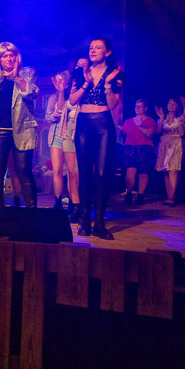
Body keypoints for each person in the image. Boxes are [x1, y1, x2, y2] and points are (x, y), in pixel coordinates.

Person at [69, 37, 122, 239]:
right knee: (84, 174)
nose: (93, 50)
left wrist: (107, 84)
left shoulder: (115, 74)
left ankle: (99, 223)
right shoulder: (80, 72)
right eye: (91, 47)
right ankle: (84, 221)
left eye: (98, 47)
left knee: (101, 174)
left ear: (107, 52)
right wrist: (86, 83)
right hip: (83, 123)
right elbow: (72, 100)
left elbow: (113, 105)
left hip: (103, 125)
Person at [0, 42, 38, 209]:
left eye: (11, 55)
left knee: (24, 172)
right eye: (4, 56)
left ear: (17, 57)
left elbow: (31, 94)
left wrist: (17, 77)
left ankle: (32, 213)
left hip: (22, 130)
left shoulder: (28, 73)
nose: (8, 58)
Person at [46, 70, 81, 218]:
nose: (59, 83)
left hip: (71, 135)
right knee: (57, 170)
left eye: (61, 80)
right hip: (56, 134)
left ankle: (73, 202)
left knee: (72, 172)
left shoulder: (75, 96)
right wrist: (53, 116)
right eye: (57, 80)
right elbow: (48, 116)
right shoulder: (53, 97)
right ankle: (58, 201)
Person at [120, 99, 156, 206]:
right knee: (130, 170)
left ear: (146, 108)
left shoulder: (150, 121)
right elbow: (123, 133)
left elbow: (149, 134)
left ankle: (140, 195)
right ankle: (129, 194)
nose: (137, 108)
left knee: (143, 172)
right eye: (136, 106)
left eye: (140, 106)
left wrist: (140, 125)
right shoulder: (128, 121)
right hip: (130, 148)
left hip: (144, 148)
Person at [155, 97, 185, 206]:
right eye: (169, 103)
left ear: (177, 106)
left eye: (174, 104)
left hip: (175, 144)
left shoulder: (179, 118)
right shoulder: (164, 117)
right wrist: (161, 118)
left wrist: (181, 121)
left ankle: (172, 198)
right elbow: (158, 131)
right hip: (164, 144)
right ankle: (169, 196)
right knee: (166, 171)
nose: (171, 105)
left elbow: (182, 133)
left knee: (173, 170)